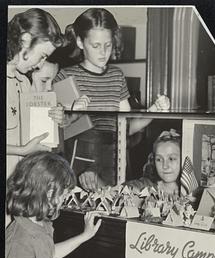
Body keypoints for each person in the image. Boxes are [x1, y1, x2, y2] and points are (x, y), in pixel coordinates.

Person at [54, 8, 169, 190]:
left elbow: (127, 128)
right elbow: (56, 134)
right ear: (80, 42)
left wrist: (155, 110)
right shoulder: (65, 77)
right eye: (96, 46)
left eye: (108, 45)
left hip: (114, 161)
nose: (103, 52)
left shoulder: (116, 76)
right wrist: (73, 112)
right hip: (77, 167)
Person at [5, 151, 102, 258]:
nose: (65, 197)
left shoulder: (39, 223)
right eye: (63, 193)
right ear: (48, 193)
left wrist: (85, 235)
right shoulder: (22, 240)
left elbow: (48, 254)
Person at [7, 8, 66, 178]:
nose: (40, 65)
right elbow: (25, 148)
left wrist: (53, 118)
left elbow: (36, 138)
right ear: (25, 40)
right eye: (42, 56)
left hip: (16, 186)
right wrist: (22, 150)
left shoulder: (24, 83)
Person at [126, 129, 181, 196]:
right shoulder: (146, 186)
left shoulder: (193, 192)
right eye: (159, 159)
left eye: (171, 159)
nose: (165, 166)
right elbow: (127, 187)